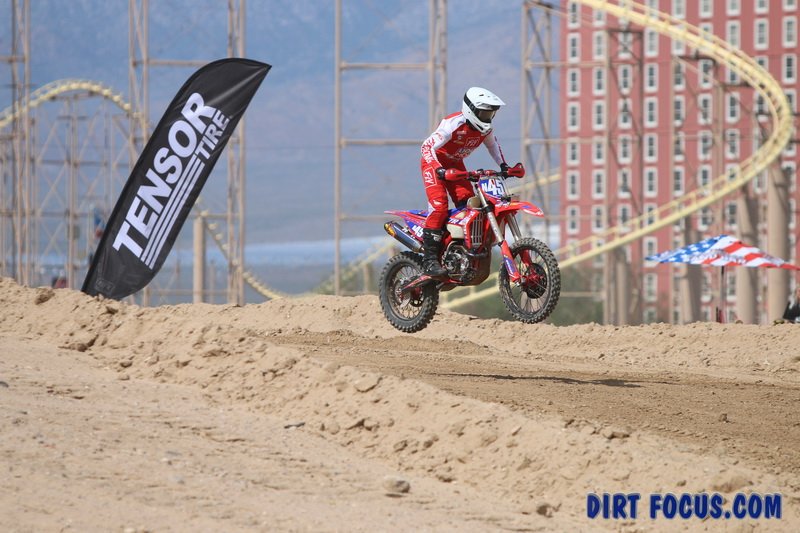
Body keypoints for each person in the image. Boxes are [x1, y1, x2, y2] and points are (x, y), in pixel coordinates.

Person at [419, 87, 524, 276]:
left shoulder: (486, 129)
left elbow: (493, 146)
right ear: (471, 110)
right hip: (434, 165)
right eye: (484, 113)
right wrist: (438, 168)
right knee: (440, 206)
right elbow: (426, 147)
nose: (488, 118)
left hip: (455, 164)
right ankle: (429, 261)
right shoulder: (453, 124)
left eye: (491, 114)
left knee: (469, 206)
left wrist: (504, 166)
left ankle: (458, 250)